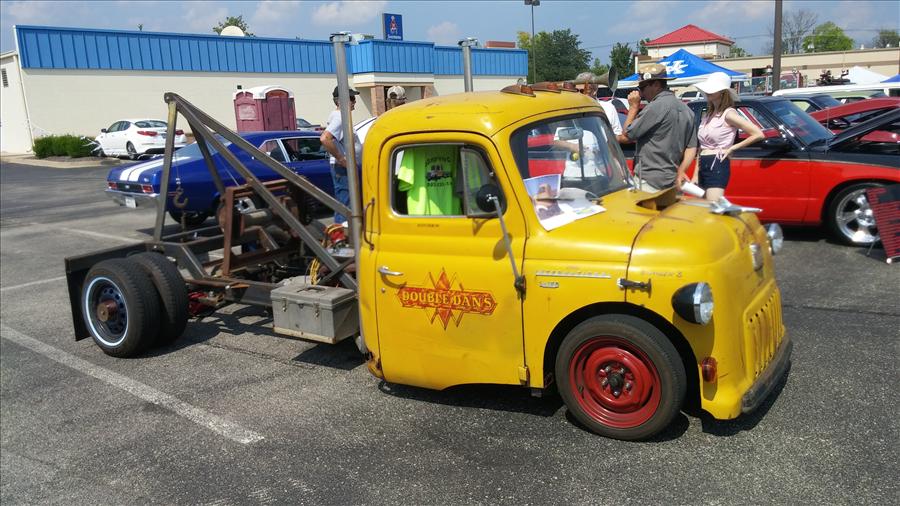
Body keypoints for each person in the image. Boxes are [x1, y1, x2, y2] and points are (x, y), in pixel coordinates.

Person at [622, 64, 697, 192]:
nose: (641, 93)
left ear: (656, 85)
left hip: (649, 182)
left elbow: (628, 134)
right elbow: (691, 147)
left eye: (642, 87)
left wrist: (633, 107)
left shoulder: (655, 107)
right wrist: (681, 171)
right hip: (672, 181)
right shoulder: (687, 110)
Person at [692, 72, 764, 201]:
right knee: (703, 207)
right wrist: (695, 174)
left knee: (712, 206)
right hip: (704, 162)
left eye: (713, 88)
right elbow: (701, 147)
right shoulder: (708, 114)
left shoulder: (729, 114)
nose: (708, 92)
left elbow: (758, 134)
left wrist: (732, 148)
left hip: (718, 162)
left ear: (722, 92)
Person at [320, 86, 363, 224]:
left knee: (347, 203)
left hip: (345, 168)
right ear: (339, 101)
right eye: (351, 98)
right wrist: (341, 159)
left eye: (354, 98)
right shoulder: (340, 118)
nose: (354, 101)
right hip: (343, 169)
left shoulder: (341, 117)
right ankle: (343, 234)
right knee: (346, 204)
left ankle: (345, 231)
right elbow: (325, 139)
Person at [574, 72, 626, 143]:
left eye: (583, 91)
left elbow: (617, 135)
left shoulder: (608, 108)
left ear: (594, 91)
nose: (579, 94)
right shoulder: (571, 108)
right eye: (576, 90)